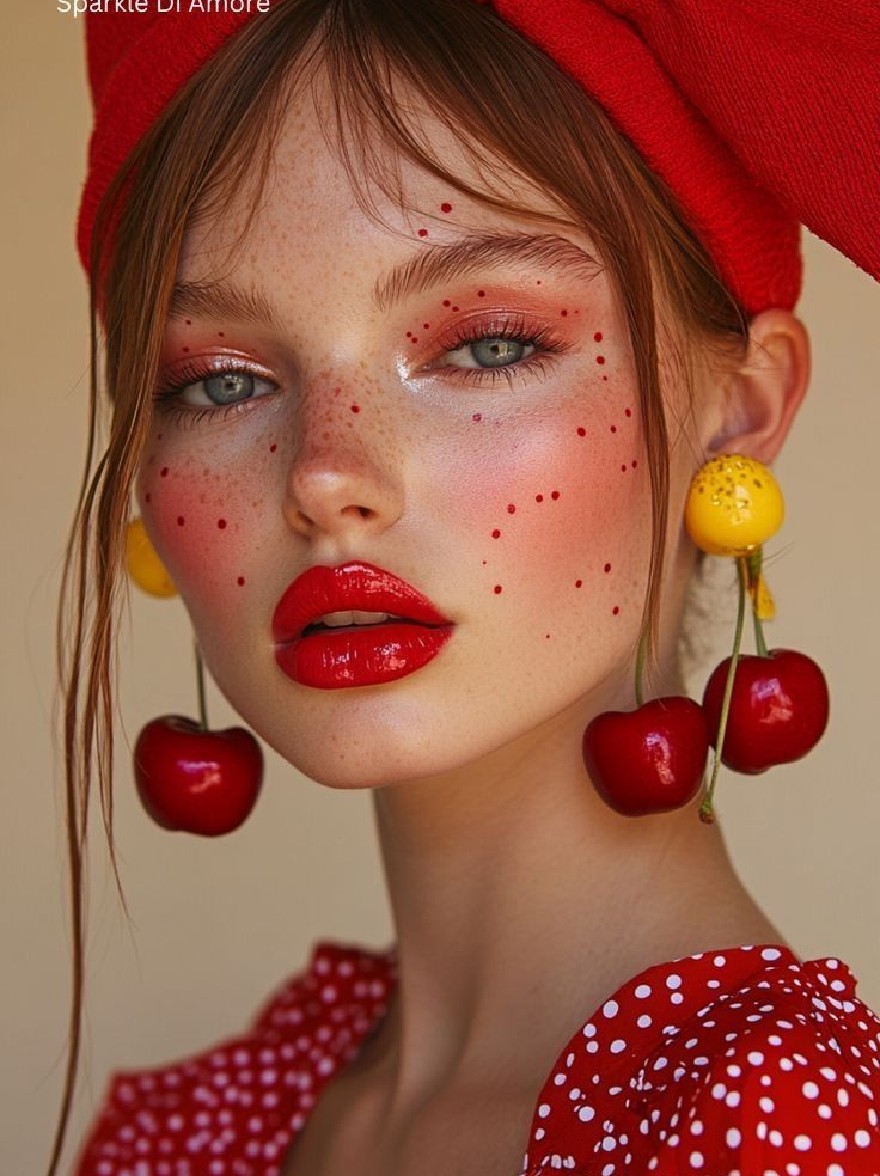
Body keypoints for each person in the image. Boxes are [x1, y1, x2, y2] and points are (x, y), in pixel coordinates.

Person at [54, 1, 879, 1174]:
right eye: (219, 380)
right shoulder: (190, 1133)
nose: (329, 475)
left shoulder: (775, 1130)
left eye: (487, 344)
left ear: (738, 408)